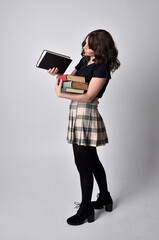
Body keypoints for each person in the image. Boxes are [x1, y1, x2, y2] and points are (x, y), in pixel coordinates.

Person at [48, 29, 120, 225]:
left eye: (89, 45)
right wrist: (59, 75)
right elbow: (71, 82)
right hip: (76, 112)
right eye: (84, 43)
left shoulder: (101, 68)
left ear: (100, 47)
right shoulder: (83, 62)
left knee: (83, 165)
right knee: (93, 161)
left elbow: (89, 96)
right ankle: (105, 197)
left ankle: (86, 207)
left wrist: (61, 94)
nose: (84, 47)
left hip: (86, 114)